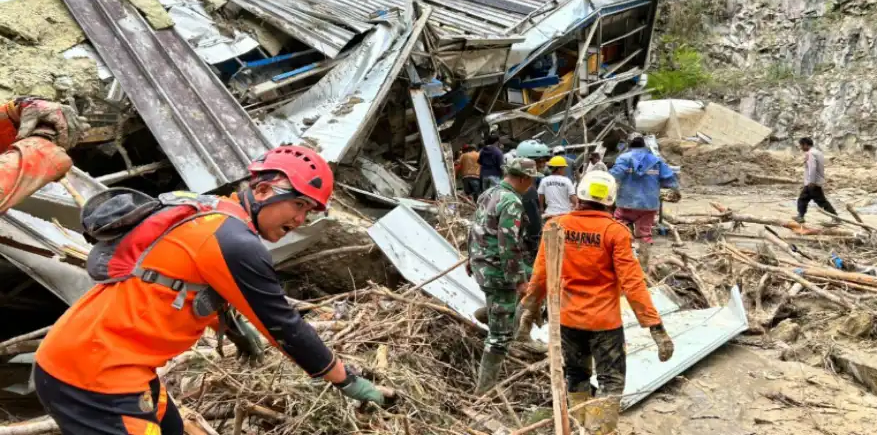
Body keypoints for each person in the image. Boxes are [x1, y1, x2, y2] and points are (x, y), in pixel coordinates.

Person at [34, 145, 388, 435]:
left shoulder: (213, 213)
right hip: (92, 377)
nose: (300, 221)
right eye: (298, 204)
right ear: (263, 190)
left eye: (309, 212)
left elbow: (189, 284)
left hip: (118, 364)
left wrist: (232, 328)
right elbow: (284, 324)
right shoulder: (234, 241)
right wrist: (346, 380)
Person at [518, 171, 674, 435]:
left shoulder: (557, 226)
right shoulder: (615, 232)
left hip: (568, 321)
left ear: (579, 196)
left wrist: (529, 310)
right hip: (604, 324)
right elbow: (632, 283)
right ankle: (598, 432)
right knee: (610, 382)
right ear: (611, 201)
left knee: (576, 376)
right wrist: (655, 327)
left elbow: (541, 275)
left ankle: (578, 427)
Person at [467, 157, 540, 394]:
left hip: (482, 265)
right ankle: (485, 391)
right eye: (530, 181)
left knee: (538, 280)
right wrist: (519, 279)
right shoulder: (511, 202)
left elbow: (475, 228)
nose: (531, 186)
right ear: (522, 178)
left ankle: (493, 313)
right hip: (498, 272)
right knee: (500, 337)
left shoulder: (488, 194)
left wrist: (470, 258)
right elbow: (508, 244)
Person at [608, 133, 680, 271]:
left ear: (629, 145)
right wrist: (674, 190)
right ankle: (644, 267)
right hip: (649, 205)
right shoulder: (655, 160)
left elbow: (614, 175)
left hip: (626, 203)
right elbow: (670, 179)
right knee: (645, 234)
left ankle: (623, 264)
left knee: (620, 230)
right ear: (644, 145)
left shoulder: (624, 158)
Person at [515, 140, 551, 268]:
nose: (543, 164)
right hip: (524, 242)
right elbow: (533, 222)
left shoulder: (524, 182)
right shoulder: (527, 188)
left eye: (544, 160)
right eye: (538, 161)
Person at [795, 137, 838, 224]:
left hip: (812, 182)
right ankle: (800, 216)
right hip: (816, 181)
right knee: (804, 199)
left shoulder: (810, 153)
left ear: (806, 145)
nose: (801, 148)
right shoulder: (818, 153)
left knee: (819, 201)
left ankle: (835, 217)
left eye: (801, 145)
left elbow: (812, 167)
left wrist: (811, 181)